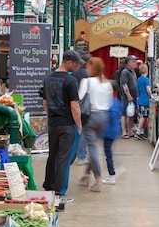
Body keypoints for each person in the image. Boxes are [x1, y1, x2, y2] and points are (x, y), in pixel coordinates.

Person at [42, 50, 84, 207]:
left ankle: (49, 187)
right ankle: (60, 194)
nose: (78, 66)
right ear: (69, 62)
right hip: (67, 125)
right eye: (76, 63)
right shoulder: (70, 81)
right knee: (64, 159)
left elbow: (45, 104)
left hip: (53, 125)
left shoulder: (48, 79)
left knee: (52, 155)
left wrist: (52, 117)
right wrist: (78, 125)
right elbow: (74, 105)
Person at [77, 57, 111, 192]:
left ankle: (98, 178)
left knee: (92, 148)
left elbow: (79, 98)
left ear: (93, 68)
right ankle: (86, 174)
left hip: (91, 116)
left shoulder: (87, 82)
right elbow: (109, 102)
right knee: (94, 145)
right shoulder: (107, 83)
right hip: (104, 116)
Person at [72, 53, 90, 165]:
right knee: (83, 132)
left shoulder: (75, 74)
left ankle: (77, 154)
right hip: (85, 107)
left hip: (75, 104)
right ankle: (81, 155)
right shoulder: (88, 75)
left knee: (77, 130)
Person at [120, 55, 140, 138]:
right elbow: (124, 84)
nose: (135, 63)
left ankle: (130, 130)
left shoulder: (133, 72)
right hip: (127, 97)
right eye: (133, 62)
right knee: (124, 114)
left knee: (131, 114)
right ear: (128, 63)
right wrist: (128, 95)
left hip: (134, 96)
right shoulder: (125, 72)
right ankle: (124, 131)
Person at [135, 64, 154, 139]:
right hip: (145, 100)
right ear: (147, 71)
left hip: (140, 100)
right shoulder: (146, 79)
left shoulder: (138, 79)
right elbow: (148, 89)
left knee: (141, 116)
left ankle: (141, 131)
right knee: (143, 116)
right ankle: (138, 131)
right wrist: (151, 95)